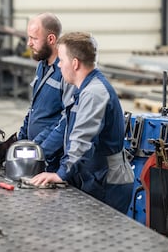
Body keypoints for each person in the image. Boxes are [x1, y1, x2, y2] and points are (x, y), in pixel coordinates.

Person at [29, 31, 134, 214]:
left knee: (103, 238)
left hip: (108, 182)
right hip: (94, 176)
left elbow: (82, 140)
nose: (59, 66)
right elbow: (65, 126)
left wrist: (60, 174)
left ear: (75, 63)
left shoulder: (94, 93)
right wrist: (36, 151)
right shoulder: (83, 89)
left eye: (61, 60)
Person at [18, 13, 75, 171]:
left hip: (52, 160)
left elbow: (66, 120)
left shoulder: (65, 72)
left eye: (34, 39)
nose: (29, 43)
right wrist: (19, 141)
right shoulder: (41, 66)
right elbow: (33, 109)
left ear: (51, 39)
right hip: (36, 154)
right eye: (28, 38)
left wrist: (39, 150)